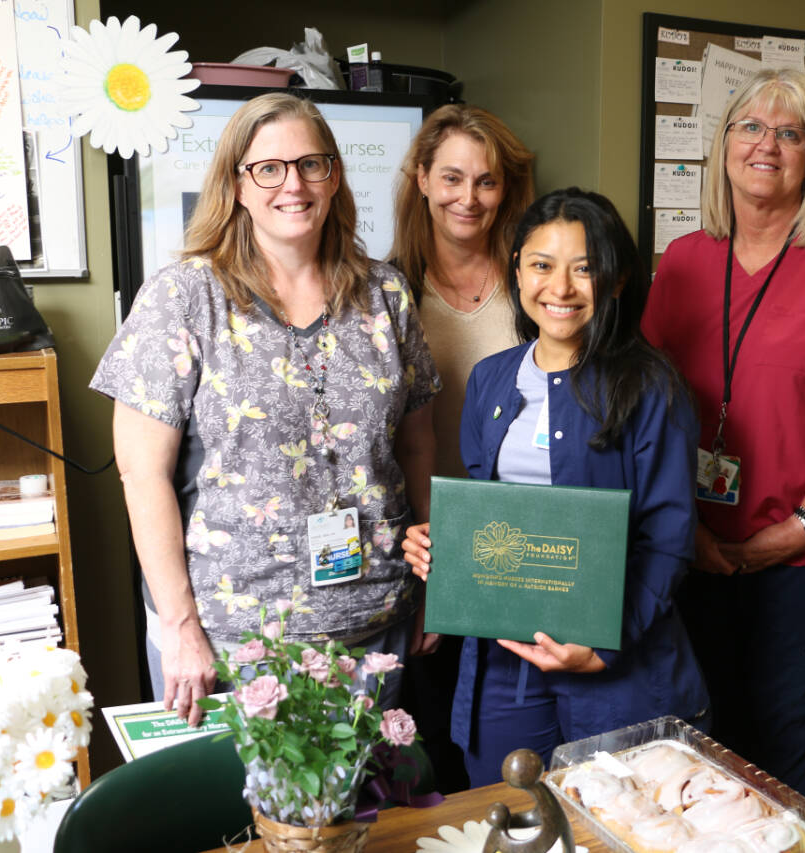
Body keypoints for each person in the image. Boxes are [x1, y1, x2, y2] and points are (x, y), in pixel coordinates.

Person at [90, 92, 440, 725]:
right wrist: (180, 627)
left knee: (360, 792)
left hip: (373, 624)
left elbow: (415, 444)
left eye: (311, 164)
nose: (293, 185)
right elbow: (141, 475)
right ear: (237, 185)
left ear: (334, 175)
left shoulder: (386, 293)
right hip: (232, 639)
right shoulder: (185, 297)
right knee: (230, 796)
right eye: (269, 168)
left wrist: (432, 585)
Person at [641, 68, 805, 801]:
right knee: (695, 742)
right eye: (751, 128)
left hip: (804, 559)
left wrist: (801, 528)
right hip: (693, 549)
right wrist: (689, 528)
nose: (768, 145)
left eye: (790, 133)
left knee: (782, 748)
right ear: (724, 146)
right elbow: (649, 405)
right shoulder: (685, 259)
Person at [403, 188, 709, 785]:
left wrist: (605, 646)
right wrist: (441, 548)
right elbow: (490, 515)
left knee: (610, 819)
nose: (560, 288)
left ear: (616, 280)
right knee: (506, 812)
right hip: (505, 662)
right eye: (542, 265)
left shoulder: (652, 388)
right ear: (518, 270)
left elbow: (669, 539)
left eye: (584, 268)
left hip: (614, 662)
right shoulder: (491, 380)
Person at [389, 105, 535, 792]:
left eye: (486, 181)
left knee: (509, 744)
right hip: (424, 544)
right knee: (430, 743)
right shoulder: (387, 290)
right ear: (421, 178)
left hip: (522, 545)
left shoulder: (535, 286)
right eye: (451, 177)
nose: (467, 198)